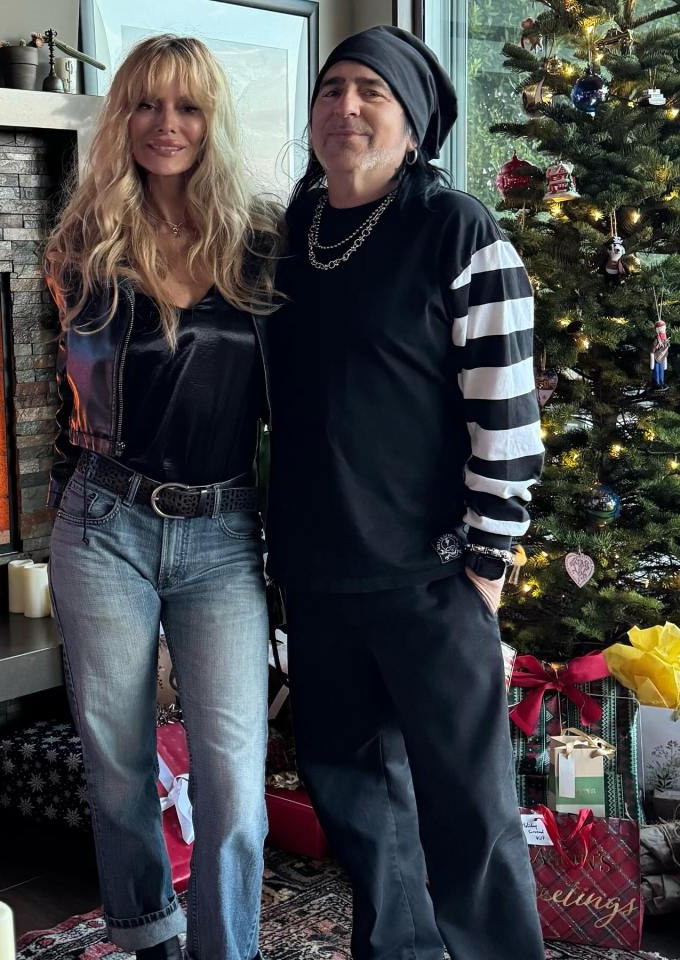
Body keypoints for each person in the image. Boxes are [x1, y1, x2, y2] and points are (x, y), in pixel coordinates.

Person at [266, 25, 545, 960]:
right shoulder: (289, 238)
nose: (345, 106)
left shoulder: (457, 228)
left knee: (470, 815)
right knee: (358, 810)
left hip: (432, 579)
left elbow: (505, 413)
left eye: (371, 92)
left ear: (413, 122)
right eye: (331, 88)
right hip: (319, 577)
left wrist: (488, 565)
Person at [44, 34, 278, 960]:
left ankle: (230, 949)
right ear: (123, 118)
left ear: (210, 121)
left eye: (186, 107)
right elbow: (79, 392)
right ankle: (149, 935)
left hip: (223, 531)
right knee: (118, 769)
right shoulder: (84, 241)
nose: (165, 125)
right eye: (145, 104)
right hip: (104, 522)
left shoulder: (259, 242)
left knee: (234, 780)